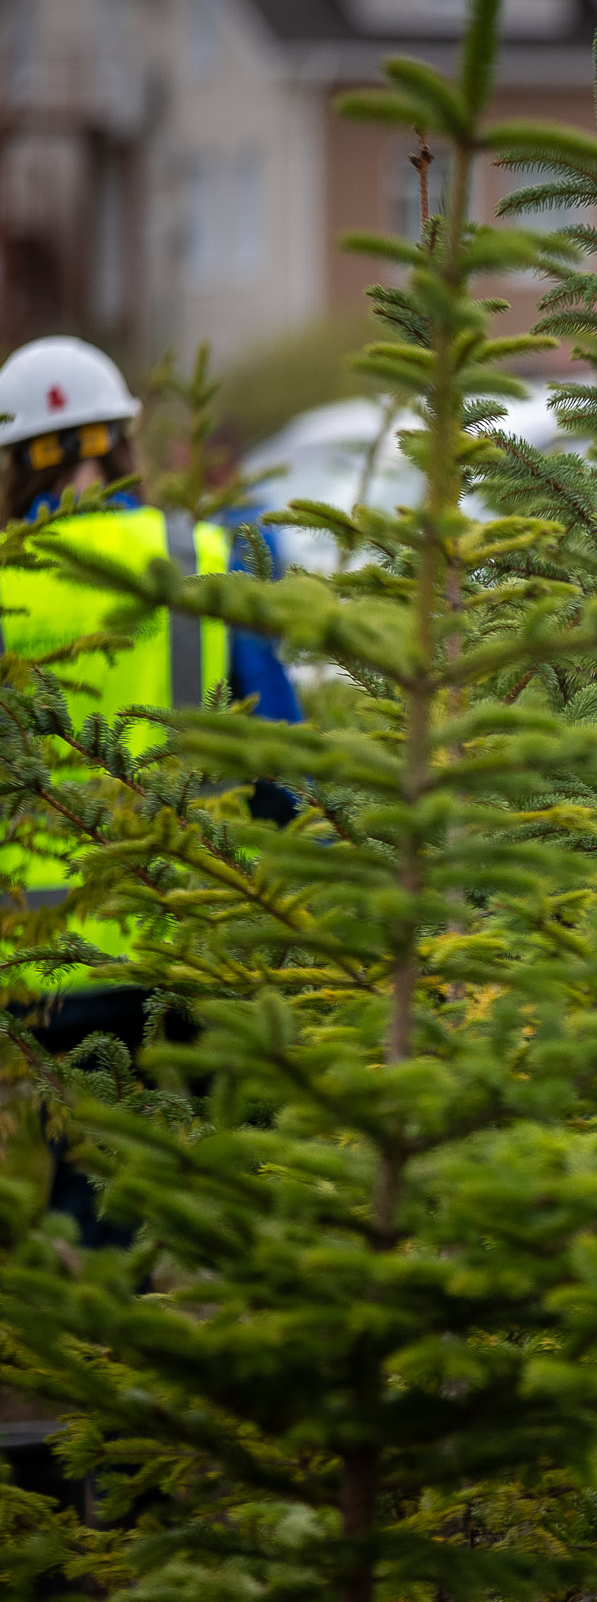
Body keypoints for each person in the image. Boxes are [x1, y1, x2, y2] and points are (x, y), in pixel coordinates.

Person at [0, 334, 301, 1243]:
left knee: (86, 1187)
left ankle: (91, 1342)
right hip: (193, 944)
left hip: (40, 966)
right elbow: (276, 758)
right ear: (124, 440)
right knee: (219, 1186)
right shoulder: (205, 554)